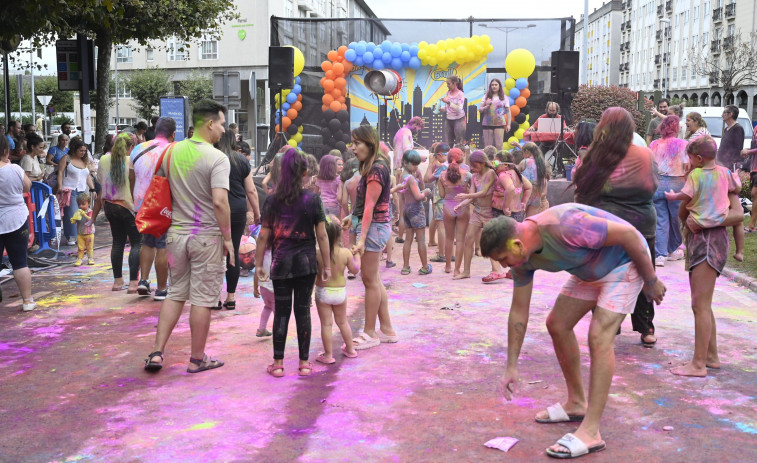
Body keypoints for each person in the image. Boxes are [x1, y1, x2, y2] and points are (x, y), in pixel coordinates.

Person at [480, 204, 666, 459]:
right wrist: (511, 366)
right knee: (557, 323)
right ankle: (577, 403)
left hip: (625, 261)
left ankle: (591, 432)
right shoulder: (523, 260)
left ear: (516, 245)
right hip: (589, 271)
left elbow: (630, 235)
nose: (503, 265)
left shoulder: (565, 225)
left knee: (599, 335)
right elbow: (519, 311)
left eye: (503, 259)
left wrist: (651, 279)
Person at [143, 99, 233, 374]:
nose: (222, 130)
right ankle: (197, 358)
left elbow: (160, 189)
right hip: (206, 236)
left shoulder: (170, 152)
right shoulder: (217, 158)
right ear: (209, 124)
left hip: (175, 236)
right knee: (203, 298)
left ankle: (157, 352)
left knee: (176, 293)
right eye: (220, 124)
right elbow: (220, 202)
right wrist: (228, 238)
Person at [573, 107, 659, 346]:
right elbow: (652, 186)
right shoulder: (644, 155)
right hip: (639, 224)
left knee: (603, 274)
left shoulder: (593, 155)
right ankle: (645, 326)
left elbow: (582, 191)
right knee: (643, 275)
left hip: (605, 227)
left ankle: (610, 323)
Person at [664, 136, 745, 376]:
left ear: (697, 158)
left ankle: (698, 364)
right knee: (702, 304)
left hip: (708, 243)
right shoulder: (722, 176)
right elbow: (685, 210)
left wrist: (700, 220)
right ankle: (711, 355)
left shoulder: (701, 177)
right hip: (703, 241)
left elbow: (737, 215)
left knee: (700, 305)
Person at [255, 148, 330, 378]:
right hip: (306, 264)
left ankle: (278, 363)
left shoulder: (272, 201)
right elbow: (323, 235)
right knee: (303, 312)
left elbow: (263, 235)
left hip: (280, 263)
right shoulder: (313, 199)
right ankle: (304, 363)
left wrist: (259, 265)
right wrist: (326, 264)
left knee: (282, 312)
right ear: (304, 172)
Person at [341, 125, 397, 350]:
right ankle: (386, 329)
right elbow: (362, 205)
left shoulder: (376, 169)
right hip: (374, 226)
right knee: (373, 279)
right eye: (352, 143)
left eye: (357, 143)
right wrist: (352, 218)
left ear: (369, 143)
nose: (353, 148)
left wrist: (362, 237)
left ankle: (370, 332)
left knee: (369, 280)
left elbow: (370, 208)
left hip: (374, 228)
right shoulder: (374, 167)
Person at [215, 129, 260, 311]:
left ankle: (215, 297)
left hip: (216, 210)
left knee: (215, 254)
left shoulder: (213, 158)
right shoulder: (241, 160)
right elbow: (251, 190)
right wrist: (257, 213)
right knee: (232, 251)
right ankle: (231, 297)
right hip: (237, 211)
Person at [131, 117, 175, 300]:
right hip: (163, 204)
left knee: (147, 242)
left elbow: (132, 177)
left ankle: (144, 280)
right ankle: (162, 288)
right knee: (163, 245)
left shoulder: (138, 149)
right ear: (173, 134)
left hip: (141, 203)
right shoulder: (173, 149)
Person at [90, 132, 141, 291]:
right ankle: (133, 282)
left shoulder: (104, 159)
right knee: (136, 243)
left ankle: (117, 281)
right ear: (131, 146)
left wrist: (93, 217)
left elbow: (100, 181)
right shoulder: (131, 161)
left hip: (110, 206)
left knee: (117, 242)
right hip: (127, 206)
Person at [315, 217, 360, 364]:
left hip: (323, 291)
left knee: (326, 324)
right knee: (342, 321)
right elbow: (355, 270)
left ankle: (328, 355)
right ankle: (351, 349)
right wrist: (358, 254)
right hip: (340, 292)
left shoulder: (317, 252)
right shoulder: (345, 252)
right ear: (339, 235)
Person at [453, 150, 503, 282]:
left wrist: (467, 196)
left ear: (482, 163)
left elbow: (484, 192)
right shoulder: (474, 177)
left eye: (475, 166)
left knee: (490, 243)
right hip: (477, 211)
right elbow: (472, 194)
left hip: (489, 213)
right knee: (468, 239)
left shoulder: (491, 173)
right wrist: (461, 205)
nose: (473, 169)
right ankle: (466, 271)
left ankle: (496, 270)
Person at [0, 135, 36, 311]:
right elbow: (27, 187)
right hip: (16, 218)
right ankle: (27, 300)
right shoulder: (14, 169)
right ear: (6, 151)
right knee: (20, 262)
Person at [649, 115, 689, 266]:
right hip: (677, 184)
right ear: (676, 128)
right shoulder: (684, 144)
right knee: (676, 219)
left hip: (658, 184)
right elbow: (687, 166)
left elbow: (650, 165)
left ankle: (660, 254)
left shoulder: (653, 144)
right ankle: (673, 249)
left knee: (661, 220)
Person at [393, 150, 432, 275]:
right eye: (414, 164)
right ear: (405, 162)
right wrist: (425, 192)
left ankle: (405, 266)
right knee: (421, 240)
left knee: (408, 239)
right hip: (416, 209)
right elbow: (418, 196)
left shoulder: (402, 176)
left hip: (407, 209)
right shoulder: (410, 178)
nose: (416, 167)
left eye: (417, 165)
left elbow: (403, 192)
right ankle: (425, 267)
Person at [438, 147, 471, 275]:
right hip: (463, 207)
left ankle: (447, 266)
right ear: (462, 158)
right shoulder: (467, 175)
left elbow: (441, 195)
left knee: (449, 238)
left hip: (448, 207)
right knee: (461, 240)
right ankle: (457, 269)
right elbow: (470, 193)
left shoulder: (442, 175)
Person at [58, 138, 94, 246]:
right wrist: (60, 186)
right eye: (81, 151)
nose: (83, 153)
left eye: (84, 151)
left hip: (82, 190)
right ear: (74, 149)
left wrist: (93, 188)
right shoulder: (66, 158)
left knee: (83, 214)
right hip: (70, 190)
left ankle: (81, 235)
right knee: (72, 213)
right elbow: (60, 172)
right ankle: (71, 237)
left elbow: (87, 176)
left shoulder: (84, 160)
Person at [425, 143, 449, 263]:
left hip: (441, 199)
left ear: (438, 155)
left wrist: (430, 164)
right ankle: (448, 252)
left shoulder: (443, 167)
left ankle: (441, 254)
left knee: (441, 226)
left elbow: (427, 179)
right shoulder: (454, 165)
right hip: (451, 199)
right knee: (448, 226)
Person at [519, 143, 550, 217]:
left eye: (523, 153)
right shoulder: (542, 163)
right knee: (531, 220)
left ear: (526, 151)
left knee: (519, 219)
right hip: (537, 193)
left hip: (525, 193)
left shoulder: (524, 162)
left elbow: (517, 176)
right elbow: (546, 178)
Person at [479, 79, 511, 150]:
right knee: (488, 147)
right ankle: (487, 160)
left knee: (499, 145)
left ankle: (499, 160)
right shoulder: (486, 96)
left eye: (496, 85)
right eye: (492, 85)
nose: (494, 86)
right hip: (487, 123)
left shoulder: (504, 97)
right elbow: (480, 110)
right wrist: (486, 106)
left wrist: (508, 124)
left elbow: (508, 111)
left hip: (499, 123)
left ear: (499, 86)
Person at [253, 243, 274, 338]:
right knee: (278, 313)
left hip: (263, 287)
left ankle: (261, 329)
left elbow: (256, 273)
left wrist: (255, 288)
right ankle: (279, 332)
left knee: (267, 307)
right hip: (274, 289)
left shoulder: (261, 254)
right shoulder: (278, 253)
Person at [716, 105, 745, 171]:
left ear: (730, 114)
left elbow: (738, 149)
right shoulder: (726, 129)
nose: (722, 115)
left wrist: (731, 165)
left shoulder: (738, 128)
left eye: (724, 112)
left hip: (729, 167)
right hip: (721, 164)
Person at [70, 192, 95, 266]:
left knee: (89, 247)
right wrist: (73, 220)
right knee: (80, 248)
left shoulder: (90, 212)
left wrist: (84, 215)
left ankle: (90, 258)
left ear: (89, 203)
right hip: (80, 233)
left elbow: (91, 219)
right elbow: (75, 221)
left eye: (83, 204)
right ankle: (79, 259)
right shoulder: (78, 212)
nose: (81, 206)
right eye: (79, 204)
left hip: (89, 233)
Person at [440, 75, 466, 147]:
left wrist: (448, 102)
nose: (447, 86)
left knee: (459, 142)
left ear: (454, 83)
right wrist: (443, 108)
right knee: (448, 142)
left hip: (459, 120)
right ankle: (449, 156)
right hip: (449, 119)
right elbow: (449, 107)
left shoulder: (460, 94)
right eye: (447, 84)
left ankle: (459, 156)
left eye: (449, 84)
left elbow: (459, 109)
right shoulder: (448, 93)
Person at [742, 125, 757, 233]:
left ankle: (751, 225)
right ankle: (752, 224)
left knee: (754, 193)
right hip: (754, 168)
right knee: (754, 195)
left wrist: (749, 152)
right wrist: (749, 150)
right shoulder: (756, 128)